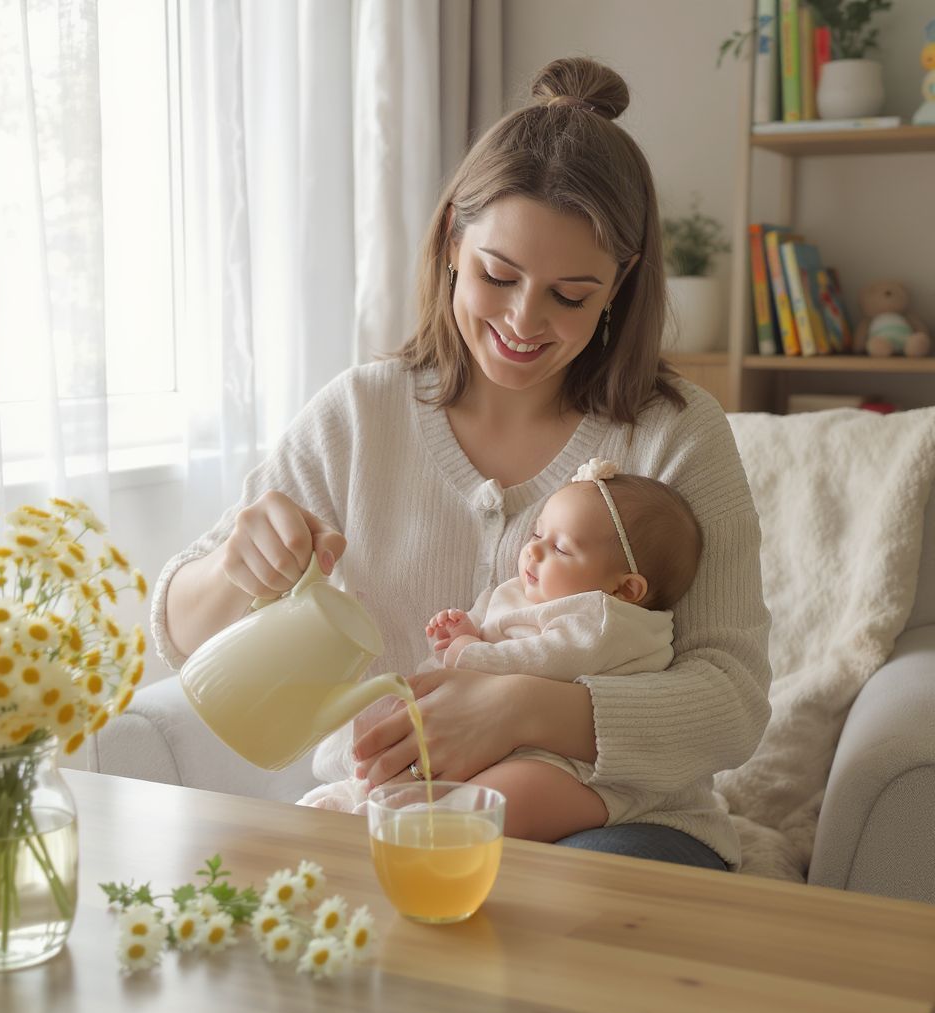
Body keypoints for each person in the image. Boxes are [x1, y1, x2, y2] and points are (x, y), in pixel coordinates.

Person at [152, 56, 772, 872]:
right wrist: (240, 563)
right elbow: (179, 637)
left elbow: (732, 703)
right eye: (498, 275)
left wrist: (524, 706)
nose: (524, 320)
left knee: (559, 921)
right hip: (386, 825)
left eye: (571, 294)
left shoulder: (677, 433)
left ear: (620, 283)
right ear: (452, 240)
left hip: (620, 825)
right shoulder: (359, 414)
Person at [297, 458, 703, 844]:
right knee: (391, 717)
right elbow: (494, 625)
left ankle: (425, 827)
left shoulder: (602, 618)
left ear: (625, 588)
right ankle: (364, 797)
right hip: (487, 734)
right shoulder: (522, 591)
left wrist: (470, 652)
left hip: (568, 761)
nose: (534, 552)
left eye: (561, 550)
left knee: (513, 795)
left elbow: (546, 659)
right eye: (538, 534)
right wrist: (467, 628)